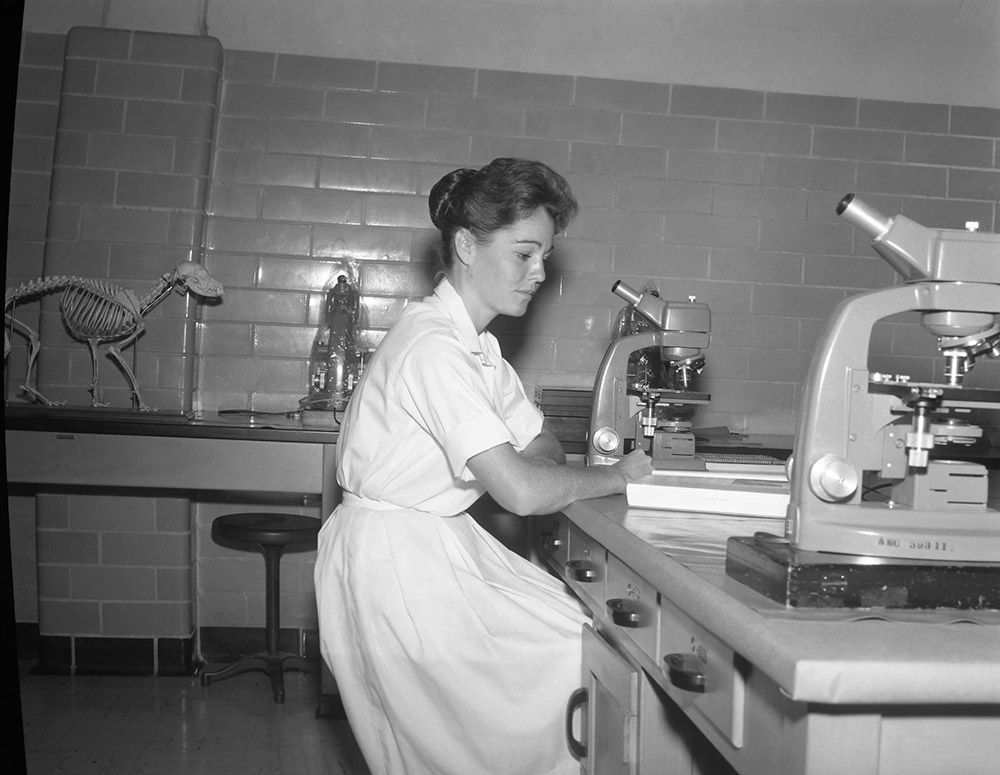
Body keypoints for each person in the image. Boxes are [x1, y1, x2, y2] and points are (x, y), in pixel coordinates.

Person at [314, 158, 652, 775]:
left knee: (583, 638)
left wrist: (527, 468)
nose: (540, 272)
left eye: (544, 255)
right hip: (397, 564)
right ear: (467, 245)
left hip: (435, 546)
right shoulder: (432, 346)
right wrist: (620, 475)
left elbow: (541, 445)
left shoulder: (481, 351)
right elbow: (522, 490)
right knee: (565, 663)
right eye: (525, 253)